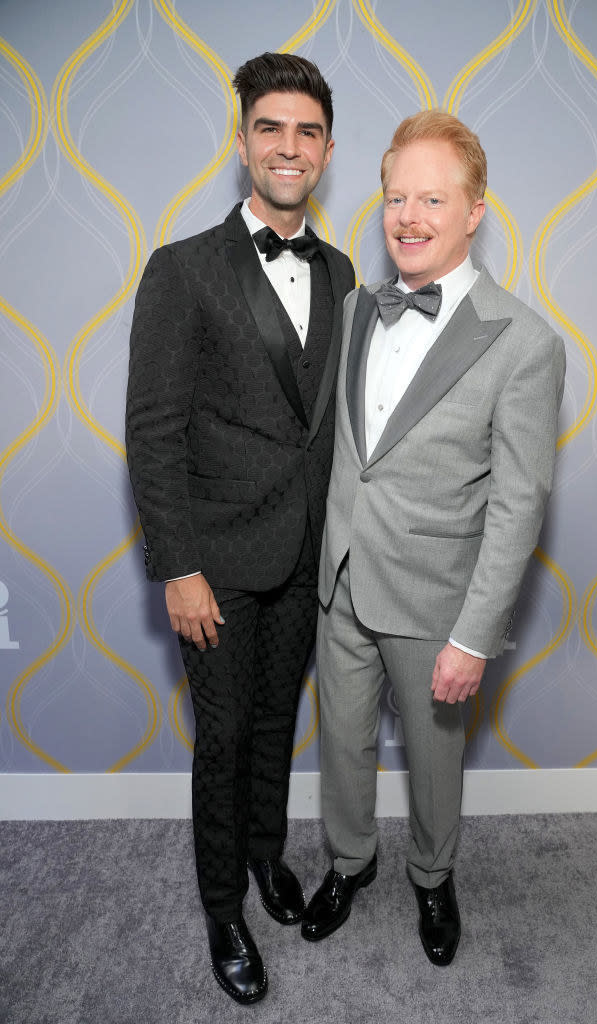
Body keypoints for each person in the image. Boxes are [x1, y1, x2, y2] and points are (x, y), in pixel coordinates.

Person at [301, 110, 565, 965]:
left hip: (437, 602)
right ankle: (349, 860)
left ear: (473, 210)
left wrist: (472, 636)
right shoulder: (351, 310)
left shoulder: (523, 343)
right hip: (341, 581)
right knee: (339, 744)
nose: (408, 216)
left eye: (431, 199)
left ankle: (431, 874)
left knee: (433, 762)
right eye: (394, 197)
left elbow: (519, 505)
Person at [125, 52, 354, 1004]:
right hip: (213, 563)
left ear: (327, 150)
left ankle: (265, 858)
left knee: (275, 722)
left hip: (305, 555)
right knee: (219, 740)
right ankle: (222, 906)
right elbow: (154, 429)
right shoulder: (181, 270)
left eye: (306, 131)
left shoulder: (340, 270)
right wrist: (174, 567)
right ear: (243, 142)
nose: (287, 147)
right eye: (270, 128)